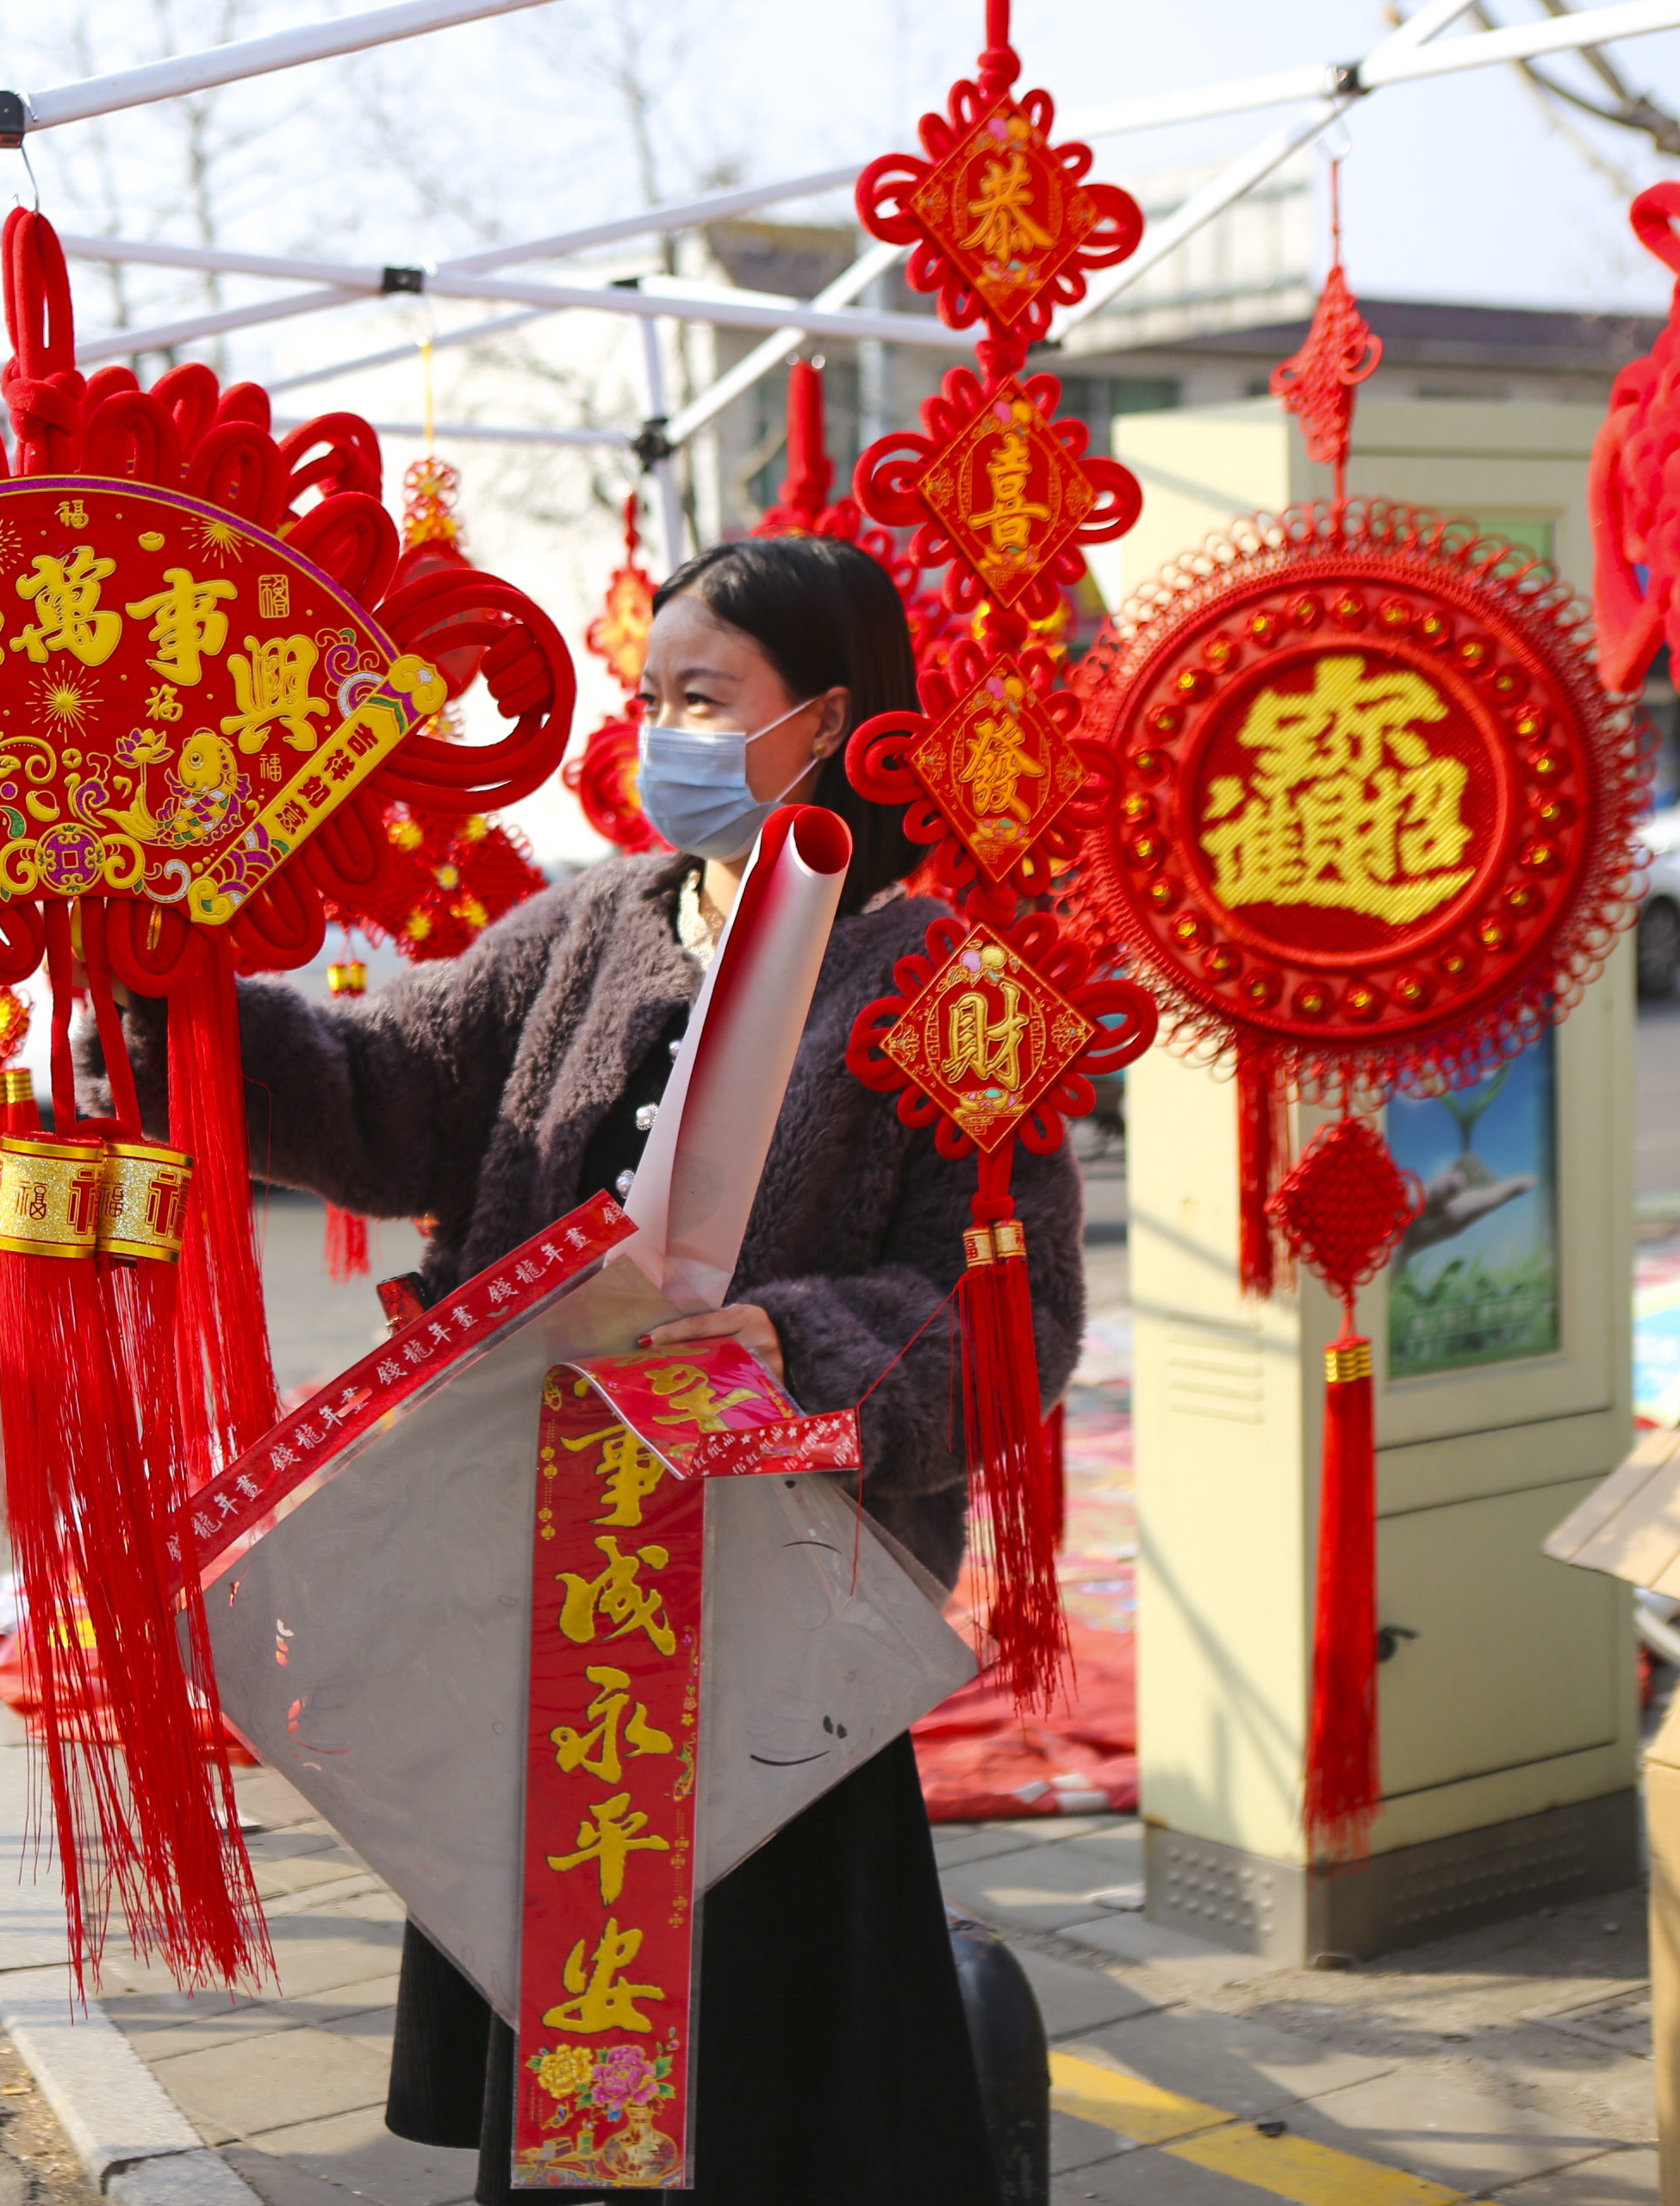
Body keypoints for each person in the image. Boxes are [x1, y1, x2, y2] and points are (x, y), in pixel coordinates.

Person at [96, 533, 1076, 2205]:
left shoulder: (950, 988)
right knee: (571, 2055)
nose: (659, 732)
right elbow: (379, 1094)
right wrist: (172, 988)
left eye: (703, 695)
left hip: (772, 1607)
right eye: (649, 693)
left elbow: (1010, 1309)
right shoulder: (581, 934)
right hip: (546, 1584)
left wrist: (793, 1340)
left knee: (779, 2082)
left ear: (829, 715)